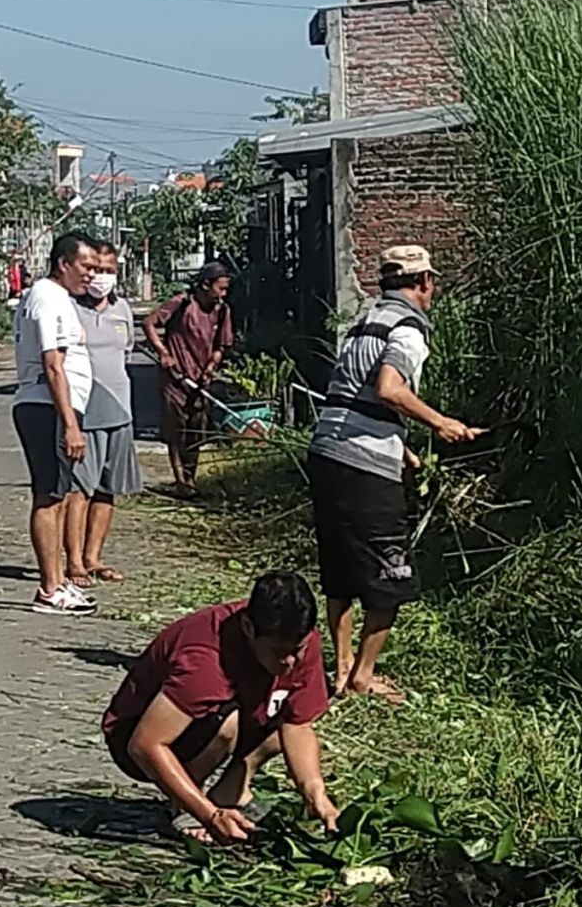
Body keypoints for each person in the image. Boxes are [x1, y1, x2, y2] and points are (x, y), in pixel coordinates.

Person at [308, 245, 482, 703]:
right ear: (424, 283)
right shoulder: (409, 329)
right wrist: (439, 422)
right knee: (390, 571)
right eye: (433, 283)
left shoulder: (365, 325)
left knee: (340, 567)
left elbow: (353, 394)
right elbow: (389, 388)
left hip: (327, 452)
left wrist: (403, 450)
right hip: (363, 463)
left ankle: (342, 665)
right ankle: (364, 674)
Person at [103, 571, 338, 844]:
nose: (290, 662)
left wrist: (315, 791)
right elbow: (144, 745)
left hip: (232, 712)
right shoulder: (204, 660)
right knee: (228, 724)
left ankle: (231, 790)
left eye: (297, 649)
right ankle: (187, 804)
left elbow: (298, 725)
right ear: (249, 628)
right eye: (277, 652)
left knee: (286, 718)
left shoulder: (301, 642)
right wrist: (210, 816)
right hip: (137, 735)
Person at [13, 232, 98, 615]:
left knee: (60, 494)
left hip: (56, 408)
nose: (92, 276)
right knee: (48, 495)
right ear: (64, 263)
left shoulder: (57, 298)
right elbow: (53, 365)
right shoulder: (48, 298)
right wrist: (70, 425)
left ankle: (59, 580)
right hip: (46, 407)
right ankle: (49, 588)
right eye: (86, 267)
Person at [64, 241, 142, 587]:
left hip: (120, 408)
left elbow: (125, 352)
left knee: (108, 488)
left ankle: (94, 556)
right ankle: (74, 561)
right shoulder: (68, 308)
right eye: (97, 270)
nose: (102, 278)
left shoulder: (122, 309)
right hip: (85, 408)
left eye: (110, 270)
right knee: (80, 487)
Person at [143, 262, 233, 498]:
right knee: (176, 431)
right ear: (205, 285)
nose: (223, 294)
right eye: (220, 289)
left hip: (199, 382)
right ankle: (181, 481)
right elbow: (149, 323)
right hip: (175, 380)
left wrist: (211, 366)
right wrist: (163, 353)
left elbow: (221, 346)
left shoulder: (222, 311)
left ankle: (191, 477)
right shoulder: (182, 303)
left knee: (196, 430)